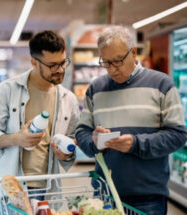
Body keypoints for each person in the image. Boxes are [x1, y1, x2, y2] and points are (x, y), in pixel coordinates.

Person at [75, 26, 187, 215]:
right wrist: (94, 142)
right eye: (106, 63)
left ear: (133, 52)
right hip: (104, 196)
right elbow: (81, 132)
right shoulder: (96, 88)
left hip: (147, 198)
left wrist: (136, 144)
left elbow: (177, 136)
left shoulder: (162, 85)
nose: (112, 69)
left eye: (117, 61)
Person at [0, 30, 80, 201]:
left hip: (49, 188)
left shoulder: (68, 99)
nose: (60, 70)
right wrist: (16, 139)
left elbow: (71, 141)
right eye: (52, 65)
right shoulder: (5, 91)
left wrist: (67, 154)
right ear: (34, 62)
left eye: (63, 63)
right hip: (12, 187)